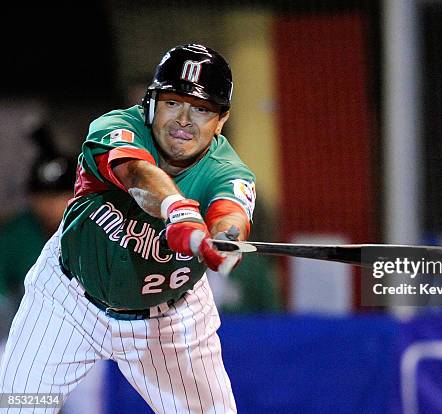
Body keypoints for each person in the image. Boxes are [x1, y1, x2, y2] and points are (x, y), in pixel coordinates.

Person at [0, 43, 255, 414]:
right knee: (17, 408)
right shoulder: (116, 127)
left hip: (169, 321)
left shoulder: (227, 170)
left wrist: (225, 238)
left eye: (201, 109)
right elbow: (136, 173)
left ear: (221, 119)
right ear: (151, 103)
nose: (184, 119)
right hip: (69, 301)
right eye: (172, 102)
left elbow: (231, 211)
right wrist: (177, 210)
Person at [0, 125, 76, 339]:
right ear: (31, 198)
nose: (50, 206)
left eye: (60, 195)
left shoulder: (99, 229)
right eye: (43, 197)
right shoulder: (15, 234)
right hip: (25, 338)